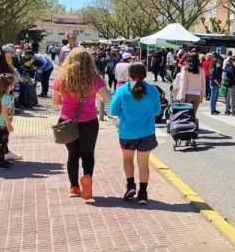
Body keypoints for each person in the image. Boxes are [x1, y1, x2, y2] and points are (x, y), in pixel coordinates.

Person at [52, 48, 111, 200]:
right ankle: (88, 178)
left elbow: (55, 101)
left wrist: (69, 101)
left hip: (66, 122)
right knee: (88, 155)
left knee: (73, 155)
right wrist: (96, 98)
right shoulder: (95, 79)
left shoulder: (62, 79)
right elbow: (108, 100)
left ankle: (74, 187)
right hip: (89, 122)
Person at [110, 63, 161, 205]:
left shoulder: (122, 90)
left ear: (129, 74)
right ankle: (143, 193)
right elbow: (157, 112)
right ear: (145, 74)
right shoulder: (153, 90)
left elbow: (113, 111)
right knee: (143, 164)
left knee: (128, 159)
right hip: (147, 132)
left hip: (127, 131)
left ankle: (131, 185)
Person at [0, 74, 16, 169]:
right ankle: (0, 161)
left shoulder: (7, 96)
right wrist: (8, 124)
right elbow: (4, 112)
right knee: (1, 143)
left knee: (4, 142)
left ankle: (2, 159)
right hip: (2, 123)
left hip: (4, 123)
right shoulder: (5, 97)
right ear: (7, 86)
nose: (14, 86)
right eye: (13, 84)